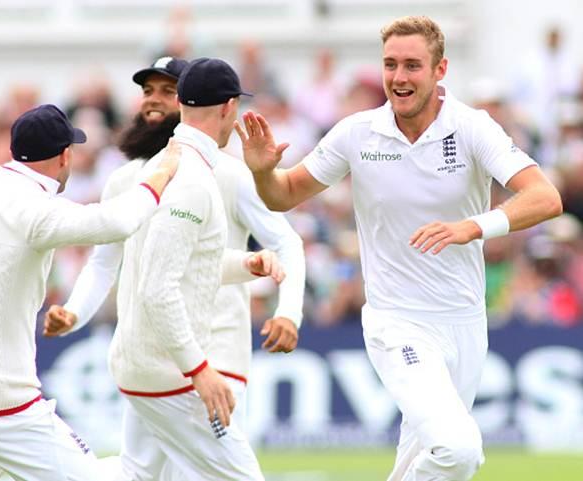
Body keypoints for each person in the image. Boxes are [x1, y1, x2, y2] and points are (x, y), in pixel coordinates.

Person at [234, 15, 563, 481]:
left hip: (465, 322)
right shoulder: (356, 133)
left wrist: (473, 226)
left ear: (440, 70)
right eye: (390, 65)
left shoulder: (472, 127)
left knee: (421, 462)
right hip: (397, 322)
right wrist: (264, 172)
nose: (399, 78)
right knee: (459, 450)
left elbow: (546, 197)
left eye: (412, 65)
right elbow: (283, 195)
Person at [45, 55, 306, 479]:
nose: (154, 101)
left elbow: (275, 245)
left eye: (167, 90)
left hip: (204, 353)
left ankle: (45, 461)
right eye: (148, 90)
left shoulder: (210, 173)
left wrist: (264, 282)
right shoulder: (156, 177)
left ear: (186, 101)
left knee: (143, 473)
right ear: (227, 107)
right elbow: (136, 274)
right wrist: (75, 315)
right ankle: (45, 460)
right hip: (176, 364)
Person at [0, 104, 181, 481]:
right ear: (64, 155)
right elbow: (119, 220)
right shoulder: (36, 210)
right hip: (3, 411)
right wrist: (163, 171)